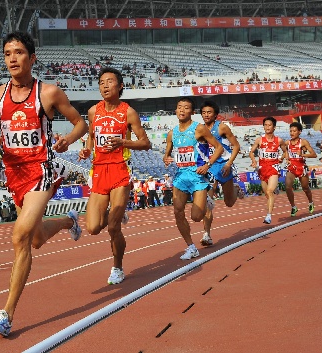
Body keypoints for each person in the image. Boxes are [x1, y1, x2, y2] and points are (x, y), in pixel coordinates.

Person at [0, 31, 88, 337]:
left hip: (42, 168)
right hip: (13, 173)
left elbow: (81, 123)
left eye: (18, 52)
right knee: (37, 238)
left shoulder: (48, 93)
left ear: (32, 57)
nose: (12, 58)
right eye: (7, 53)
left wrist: (67, 139)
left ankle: (6, 315)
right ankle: (68, 221)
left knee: (20, 237)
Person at [78, 67, 150, 285]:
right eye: (101, 82)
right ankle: (115, 214)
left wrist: (123, 142)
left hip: (119, 169)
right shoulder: (93, 111)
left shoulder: (128, 112)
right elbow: (91, 136)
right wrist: (87, 149)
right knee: (92, 228)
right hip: (99, 171)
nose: (105, 85)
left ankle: (117, 267)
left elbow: (146, 142)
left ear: (120, 86)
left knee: (112, 227)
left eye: (110, 82)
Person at [163, 97, 224, 260]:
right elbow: (166, 154)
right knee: (177, 211)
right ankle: (191, 247)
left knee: (196, 217)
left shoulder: (199, 129)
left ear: (192, 112)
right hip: (181, 177)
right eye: (179, 107)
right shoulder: (172, 133)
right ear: (175, 111)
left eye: (186, 108)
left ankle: (207, 199)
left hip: (197, 176)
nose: (182, 110)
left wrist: (208, 165)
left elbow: (219, 148)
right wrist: (167, 159)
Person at [200, 100, 242, 246]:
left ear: (216, 114)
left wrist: (229, 163)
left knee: (229, 203)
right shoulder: (199, 130)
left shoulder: (222, 127)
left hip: (224, 166)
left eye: (209, 112)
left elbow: (236, 146)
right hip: (209, 167)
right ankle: (207, 234)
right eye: (204, 112)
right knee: (208, 202)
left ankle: (236, 189)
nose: (206, 115)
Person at [249, 116, 287, 224]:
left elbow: (285, 151)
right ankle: (275, 189)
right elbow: (251, 152)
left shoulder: (279, 140)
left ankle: (269, 215)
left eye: (269, 125)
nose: (267, 127)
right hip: (262, 169)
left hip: (274, 168)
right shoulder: (259, 140)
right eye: (265, 125)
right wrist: (254, 161)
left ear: (274, 127)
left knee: (270, 192)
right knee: (267, 194)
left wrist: (282, 158)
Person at [284, 122, 318, 216]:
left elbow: (314, 154)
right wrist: (286, 159)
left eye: (294, 131)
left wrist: (302, 154)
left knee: (305, 188)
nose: (292, 133)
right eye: (290, 131)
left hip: (301, 167)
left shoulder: (303, 142)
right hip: (292, 167)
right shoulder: (287, 143)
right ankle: (293, 207)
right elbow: (285, 152)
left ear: (299, 131)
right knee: (287, 186)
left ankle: (311, 202)